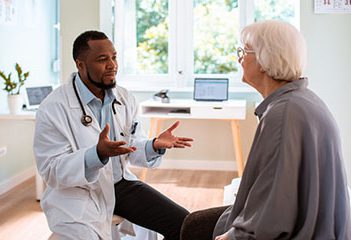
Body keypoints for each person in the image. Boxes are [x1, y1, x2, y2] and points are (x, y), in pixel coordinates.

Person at [180, 20, 351, 240]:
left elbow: (276, 208)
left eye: (244, 51)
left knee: (194, 228)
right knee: (194, 222)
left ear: (263, 59)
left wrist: (233, 236)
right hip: (312, 222)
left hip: (296, 230)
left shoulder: (283, 114)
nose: (239, 58)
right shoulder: (302, 100)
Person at [33, 30, 193, 240]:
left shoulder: (124, 98)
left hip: (121, 186)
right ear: (80, 65)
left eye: (114, 57)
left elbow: (132, 145)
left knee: (188, 227)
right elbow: (51, 171)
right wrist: (96, 155)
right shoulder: (53, 108)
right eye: (102, 59)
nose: (112, 65)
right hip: (79, 193)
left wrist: (153, 145)